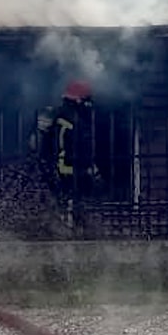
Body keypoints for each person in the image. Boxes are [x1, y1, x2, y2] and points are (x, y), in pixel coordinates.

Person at [34, 80, 98, 234]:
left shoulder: (55, 115)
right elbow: (82, 149)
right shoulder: (77, 120)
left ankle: (58, 228)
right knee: (77, 203)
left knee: (57, 201)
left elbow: (41, 144)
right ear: (79, 100)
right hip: (72, 168)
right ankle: (75, 231)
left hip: (52, 167)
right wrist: (90, 169)